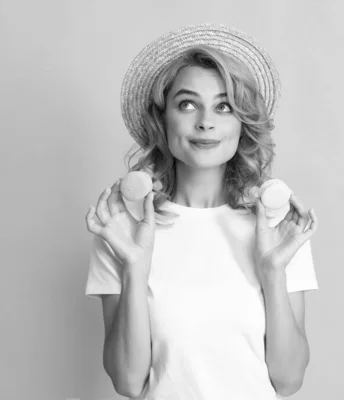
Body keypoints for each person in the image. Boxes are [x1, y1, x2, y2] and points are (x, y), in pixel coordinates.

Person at [84, 23, 319, 400]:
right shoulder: (122, 232)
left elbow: (288, 381)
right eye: (187, 104)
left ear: (242, 124)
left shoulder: (278, 230)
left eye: (224, 106)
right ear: (162, 120)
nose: (205, 122)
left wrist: (273, 270)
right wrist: (134, 267)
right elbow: (128, 383)